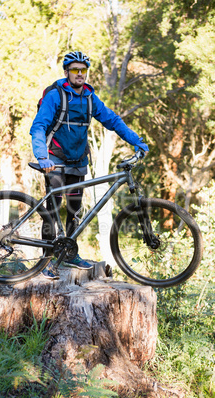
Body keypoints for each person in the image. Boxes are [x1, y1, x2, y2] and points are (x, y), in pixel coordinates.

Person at [30, 51, 149, 279]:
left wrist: (137, 141)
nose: (80, 74)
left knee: (75, 208)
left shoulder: (89, 98)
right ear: (66, 72)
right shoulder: (56, 96)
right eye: (75, 70)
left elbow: (113, 120)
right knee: (52, 209)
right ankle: (46, 259)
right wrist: (42, 157)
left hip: (78, 161)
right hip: (53, 159)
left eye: (83, 70)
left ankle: (69, 254)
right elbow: (39, 126)